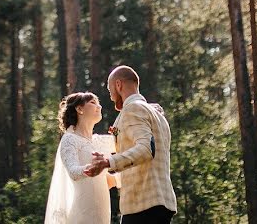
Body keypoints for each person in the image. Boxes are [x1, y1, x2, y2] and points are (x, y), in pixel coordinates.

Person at [85, 66, 177, 224]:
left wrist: (108, 162)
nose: (111, 97)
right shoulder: (156, 114)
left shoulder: (133, 109)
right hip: (161, 202)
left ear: (118, 85)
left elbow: (146, 150)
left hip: (142, 205)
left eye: (110, 90)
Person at [44, 92, 117, 223]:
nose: (99, 106)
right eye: (93, 103)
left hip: (102, 213)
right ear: (79, 109)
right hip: (82, 213)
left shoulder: (100, 141)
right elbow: (73, 171)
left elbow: (127, 141)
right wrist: (91, 168)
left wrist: (150, 111)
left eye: (99, 103)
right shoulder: (69, 139)